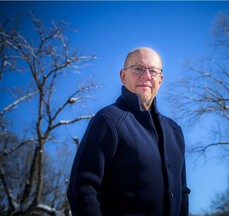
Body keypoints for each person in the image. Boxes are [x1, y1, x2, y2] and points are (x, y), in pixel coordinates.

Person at [67, 47, 190, 216]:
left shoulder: (175, 131)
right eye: (138, 69)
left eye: (153, 71)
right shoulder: (108, 119)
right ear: (123, 76)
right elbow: (82, 187)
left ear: (160, 80)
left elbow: (182, 192)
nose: (146, 76)